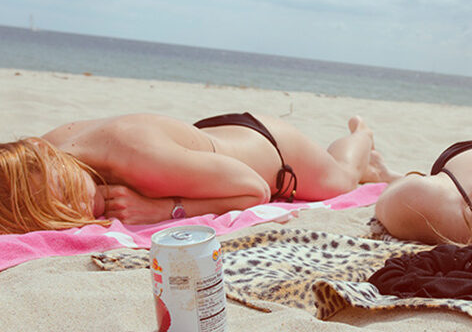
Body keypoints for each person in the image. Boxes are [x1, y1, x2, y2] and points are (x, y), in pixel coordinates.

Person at [0, 112, 399, 234]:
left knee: (344, 177)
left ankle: (363, 139)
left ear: (44, 159)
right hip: (207, 144)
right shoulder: (38, 154)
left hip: (274, 154)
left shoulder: (135, 158)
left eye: (70, 194)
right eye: (58, 209)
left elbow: (255, 190)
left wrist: (163, 210)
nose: (83, 208)